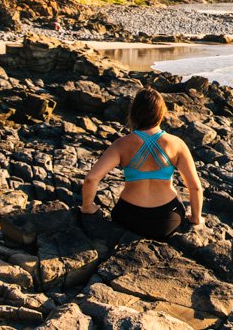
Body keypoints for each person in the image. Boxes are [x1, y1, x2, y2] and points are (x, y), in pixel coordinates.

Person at [81, 88, 203, 240]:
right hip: (167, 221)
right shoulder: (177, 144)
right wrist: (196, 218)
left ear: (134, 112)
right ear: (161, 113)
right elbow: (195, 187)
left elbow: (91, 179)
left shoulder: (121, 144)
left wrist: (87, 207)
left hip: (127, 217)